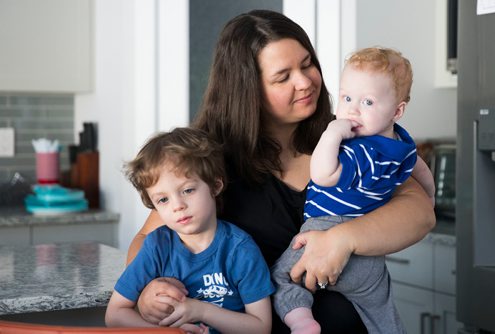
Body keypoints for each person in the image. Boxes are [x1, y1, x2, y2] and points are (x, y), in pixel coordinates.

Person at [127, 10, 435, 333]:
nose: (304, 82)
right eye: (283, 76)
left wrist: (343, 240)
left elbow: (420, 213)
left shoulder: (348, 134)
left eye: (307, 65)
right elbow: (148, 238)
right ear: (247, 90)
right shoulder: (207, 157)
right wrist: (148, 289)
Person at [271, 47, 435, 334]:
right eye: (346, 98)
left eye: (367, 102)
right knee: (382, 311)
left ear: (397, 110)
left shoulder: (356, 151)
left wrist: (332, 134)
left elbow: (322, 175)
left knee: (281, 278)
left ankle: (300, 322)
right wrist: (430, 195)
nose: (352, 110)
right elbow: (419, 170)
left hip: (322, 230)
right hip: (370, 263)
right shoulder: (401, 145)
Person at [105, 128, 275, 333]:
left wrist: (201, 311)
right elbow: (115, 314)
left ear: (215, 185)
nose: (178, 206)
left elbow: (261, 327)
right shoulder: (156, 247)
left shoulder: (240, 250)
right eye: (163, 199)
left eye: (187, 190)